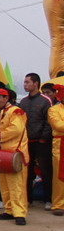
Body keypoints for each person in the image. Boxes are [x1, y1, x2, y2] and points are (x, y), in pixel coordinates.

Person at [0, 87, 29, 225]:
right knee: (4, 185)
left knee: (17, 186)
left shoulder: (16, 111)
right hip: (1, 155)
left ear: (6, 98)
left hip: (15, 154)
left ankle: (19, 213)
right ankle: (9, 210)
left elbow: (16, 130)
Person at [19, 73, 53, 210]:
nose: (25, 85)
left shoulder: (45, 101)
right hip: (27, 142)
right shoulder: (23, 102)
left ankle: (49, 200)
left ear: (36, 83)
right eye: (24, 82)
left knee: (45, 171)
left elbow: (49, 121)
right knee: (26, 172)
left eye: (27, 82)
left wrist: (43, 138)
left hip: (42, 142)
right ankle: (28, 199)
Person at [47, 84, 64, 215]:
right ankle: (58, 204)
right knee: (59, 176)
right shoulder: (53, 110)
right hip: (60, 144)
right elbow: (58, 125)